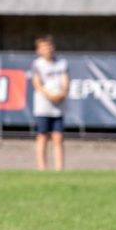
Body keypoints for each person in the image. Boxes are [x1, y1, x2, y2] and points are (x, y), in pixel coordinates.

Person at [31, 35, 68, 172]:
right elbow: (37, 83)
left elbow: (65, 81)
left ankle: (59, 169)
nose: (48, 49)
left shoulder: (62, 63)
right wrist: (50, 95)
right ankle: (42, 168)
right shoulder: (37, 64)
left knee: (58, 137)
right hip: (43, 106)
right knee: (43, 136)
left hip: (58, 106)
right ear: (39, 50)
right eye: (45, 47)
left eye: (50, 46)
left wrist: (63, 92)